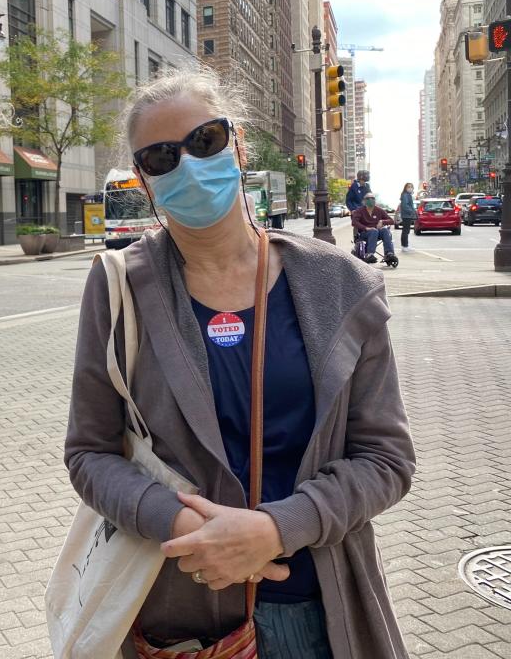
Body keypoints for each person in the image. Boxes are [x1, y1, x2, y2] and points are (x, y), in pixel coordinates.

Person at [66, 65, 415, 659]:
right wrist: (181, 525)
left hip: (322, 610)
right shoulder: (117, 286)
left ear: (238, 144)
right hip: (182, 622)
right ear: (144, 182)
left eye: (204, 141)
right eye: (160, 158)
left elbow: (386, 457)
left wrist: (280, 527)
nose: (187, 166)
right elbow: (89, 453)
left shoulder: (342, 285)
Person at [352, 192, 396, 263]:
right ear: (364, 201)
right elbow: (354, 222)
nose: (370, 200)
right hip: (364, 233)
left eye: (372, 198)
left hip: (377, 232)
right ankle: (370, 254)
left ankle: (389, 253)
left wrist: (382, 221)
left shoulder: (379, 210)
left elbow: (392, 221)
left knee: (384, 230)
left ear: (375, 200)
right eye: (368, 198)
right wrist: (366, 228)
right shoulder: (359, 211)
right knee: (373, 231)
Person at [399, 182, 417, 253]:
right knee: (405, 231)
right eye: (408, 187)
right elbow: (405, 206)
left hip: (407, 215)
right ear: (405, 188)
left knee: (406, 231)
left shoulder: (408, 195)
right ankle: (404, 246)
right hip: (406, 215)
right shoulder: (405, 195)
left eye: (411, 187)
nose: (410, 188)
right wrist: (411, 211)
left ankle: (406, 245)